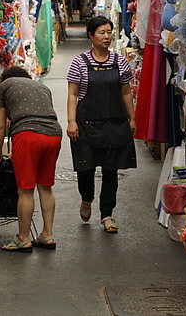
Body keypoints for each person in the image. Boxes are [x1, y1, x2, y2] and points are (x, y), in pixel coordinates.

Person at [66, 16, 137, 233]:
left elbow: (126, 91)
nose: (106, 37)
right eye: (101, 33)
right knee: (85, 170)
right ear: (91, 35)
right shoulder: (80, 62)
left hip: (114, 124)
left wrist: (132, 118)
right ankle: (86, 199)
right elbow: (72, 94)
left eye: (109, 32)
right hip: (86, 125)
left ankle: (107, 214)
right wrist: (71, 122)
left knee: (110, 172)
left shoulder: (119, 61)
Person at [0, 66, 62, 252]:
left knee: (25, 190)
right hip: (54, 134)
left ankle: (23, 238)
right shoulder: (41, 86)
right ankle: (47, 234)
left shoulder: (5, 85)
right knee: (45, 187)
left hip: (28, 135)